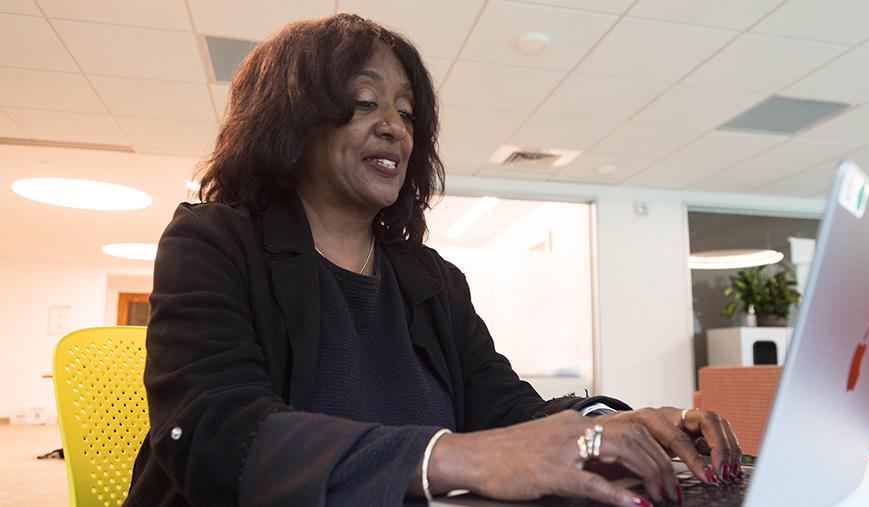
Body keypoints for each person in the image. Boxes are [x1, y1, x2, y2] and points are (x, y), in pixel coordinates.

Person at [126, 13, 741, 507]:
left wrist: (618, 421)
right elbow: (214, 435)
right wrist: (452, 456)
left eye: (407, 112)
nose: (395, 126)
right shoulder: (211, 242)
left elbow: (508, 411)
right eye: (365, 103)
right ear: (291, 120)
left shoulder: (434, 280)